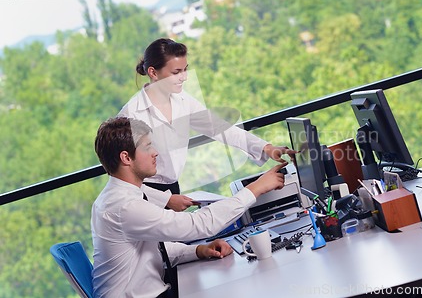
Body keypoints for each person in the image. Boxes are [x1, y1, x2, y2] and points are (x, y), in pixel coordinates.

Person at [91, 116, 286, 298]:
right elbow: (197, 225)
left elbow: (153, 249)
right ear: (126, 158)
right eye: (147, 146)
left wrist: (199, 250)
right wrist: (256, 188)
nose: (155, 152)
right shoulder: (124, 206)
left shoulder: (119, 196)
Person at [118, 38, 295, 211]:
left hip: (173, 190)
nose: (184, 77)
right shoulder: (130, 115)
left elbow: (220, 129)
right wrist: (165, 199)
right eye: (176, 72)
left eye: (185, 70)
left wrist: (267, 148)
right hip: (143, 195)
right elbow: (121, 178)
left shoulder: (183, 100)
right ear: (153, 73)